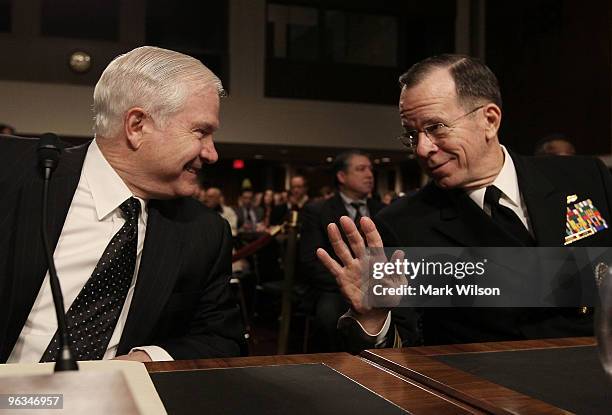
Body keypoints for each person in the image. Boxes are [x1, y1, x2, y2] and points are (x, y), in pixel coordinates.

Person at [316, 54, 612, 350]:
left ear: (489, 120)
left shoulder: (585, 176)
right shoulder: (402, 225)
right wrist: (374, 319)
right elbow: (402, 350)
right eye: (412, 135)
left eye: (436, 127)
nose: (422, 149)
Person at [0, 46, 244, 363]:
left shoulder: (205, 232)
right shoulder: (14, 173)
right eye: (201, 132)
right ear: (137, 126)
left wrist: (147, 360)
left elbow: (223, 340)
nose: (212, 153)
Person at [300, 150, 385, 351]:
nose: (369, 175)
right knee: (329, 316)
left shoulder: (383, 210)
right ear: (342, 176)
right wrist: (346, 281)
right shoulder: (318, 211)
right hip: (334, 287)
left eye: (370, 169)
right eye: (361, 169)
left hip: (379, 284)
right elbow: (310, 261)